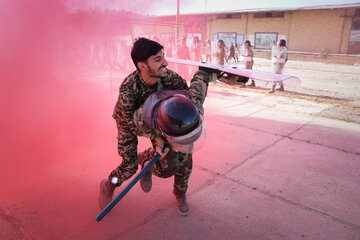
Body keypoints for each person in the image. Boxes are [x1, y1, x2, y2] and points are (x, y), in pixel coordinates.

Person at [99, 37, 218, 216]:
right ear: (142, 66)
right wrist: (158, 138)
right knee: (129, 167)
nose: (166, 63)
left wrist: (205, 75)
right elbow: (133, 125)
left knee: (184, 156)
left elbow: (185, 101)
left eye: (164, 56)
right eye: (158, 59)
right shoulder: (128, 90)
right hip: (130, 123)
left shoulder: (168, 77)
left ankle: (180, 193)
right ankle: (110, 184)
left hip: (160, 120)